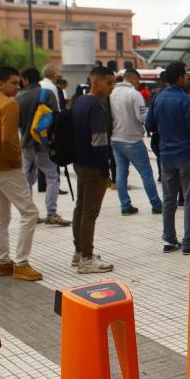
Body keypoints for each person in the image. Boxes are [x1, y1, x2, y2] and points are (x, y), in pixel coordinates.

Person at [0, 65, 43, 281]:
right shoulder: (8, 104)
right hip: (6, 167)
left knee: (1, 215)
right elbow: (8, 138)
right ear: (0, 83)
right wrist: (15, 161)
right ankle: (21, 263)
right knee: (30, 212)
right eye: (13, 82)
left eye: (18, 82)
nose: (18, 86)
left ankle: (3, 262)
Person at [145, 62, 190, 254]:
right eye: (186, 75)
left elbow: (148, 125)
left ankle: (169, 240)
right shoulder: (185, 99)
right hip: (187, 155)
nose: (187, 78)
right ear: (179, 78)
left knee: (169, 198)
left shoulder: (158, 98)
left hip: (166, 156)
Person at [72, 66, 117, 273]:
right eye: (109, 83)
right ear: (95, 82)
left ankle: (79, 252)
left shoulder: (80, 101)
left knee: (80, 209)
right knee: (90, 213)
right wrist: (105, 169)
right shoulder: (96, 107)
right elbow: (99, 141)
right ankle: (87, 260)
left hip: (80, 163)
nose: (112, 87)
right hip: (93, 167)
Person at [17, 67, 67, 225]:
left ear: (25, 80)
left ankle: (29, 213)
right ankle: (51, 213)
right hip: (44, 143)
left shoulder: (18, 97)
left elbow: (17, 122)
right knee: (52, 176)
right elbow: (57, 118)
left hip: (26, 143)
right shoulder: (47, 94)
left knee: (27, 178)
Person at [110, 68, 162, 215]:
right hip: (132, 139)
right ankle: (156, 204)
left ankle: (125, 206)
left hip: (115, 139)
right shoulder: (134, 94)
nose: (138, 84)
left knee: (120, 172)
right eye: (138, 81)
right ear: (133, 79)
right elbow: (142, 117)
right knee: (146, 172)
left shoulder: (112, 92)